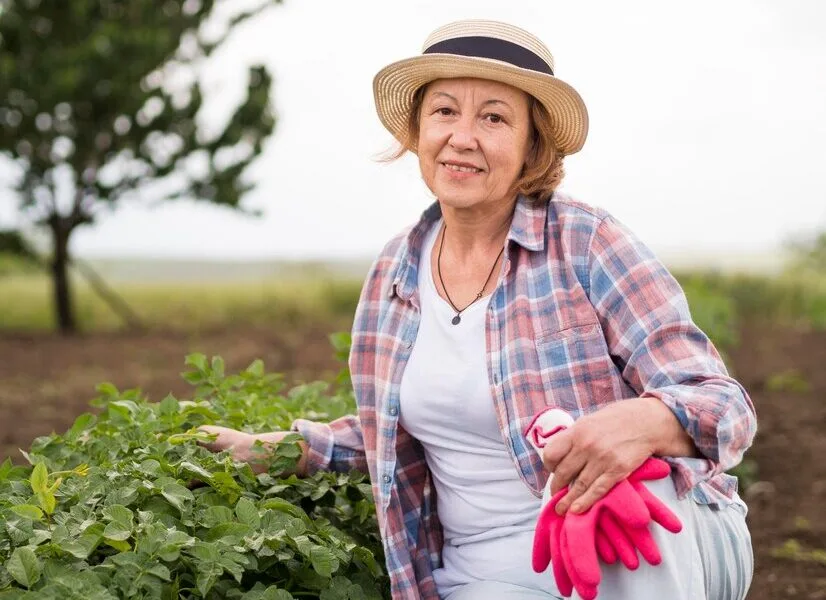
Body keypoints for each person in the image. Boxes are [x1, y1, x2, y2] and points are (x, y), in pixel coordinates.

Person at [200, 19, 756, 600]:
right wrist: (278, 449)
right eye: (444, 111)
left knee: (637, 491)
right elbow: (396, 434)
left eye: (493, 117)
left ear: (532, 144)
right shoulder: (394, 273)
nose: (462, 137)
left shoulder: (587, 242)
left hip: (635, 542)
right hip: (484, 575)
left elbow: (724, 406)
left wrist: (643, 423)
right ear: (417, 131)